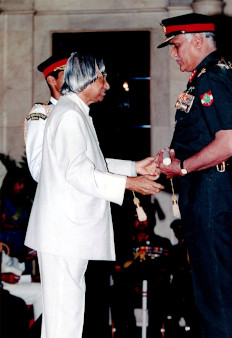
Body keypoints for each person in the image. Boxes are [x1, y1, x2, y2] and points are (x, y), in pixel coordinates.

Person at [24, 51, 164, 338]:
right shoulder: (68, 115)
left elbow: (87, 162)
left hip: (68, 233)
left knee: (64, 317)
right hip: (65, 233)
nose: (107, 85)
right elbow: (75, 172)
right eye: (102, 77)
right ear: (86, 79)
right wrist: (130, 183)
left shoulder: (72, 112)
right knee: (65, 319)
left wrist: (135, 167)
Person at [155, 13, 232, 338]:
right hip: (209, 192)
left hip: (212, 193)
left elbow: (228, 143)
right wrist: (177, 158)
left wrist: (181, 167)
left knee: (217, 296)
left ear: (197, 40)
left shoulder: (211, 79)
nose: (172, 53)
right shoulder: (205, 77)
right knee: (212, 293)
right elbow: (207, 139)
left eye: (176, 44)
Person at [112, 203, 172, 338]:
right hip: (129, 289)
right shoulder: (123, 245)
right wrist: (132, 286)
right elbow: (118, 270)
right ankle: (128, 334)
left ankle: (154, 334)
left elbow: (165, 270)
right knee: (118, 297)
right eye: (136, 218)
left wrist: (151, 286)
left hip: (154, 289)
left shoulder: (162, 243)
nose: (141, 222)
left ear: (151, 220)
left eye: (144, 218)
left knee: (162, 298)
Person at [24, 54, 68, 182]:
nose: (74, 80)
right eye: (68, 76)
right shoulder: (43, 113)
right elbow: (38, 170)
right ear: (51, 80)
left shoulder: (80, 112)